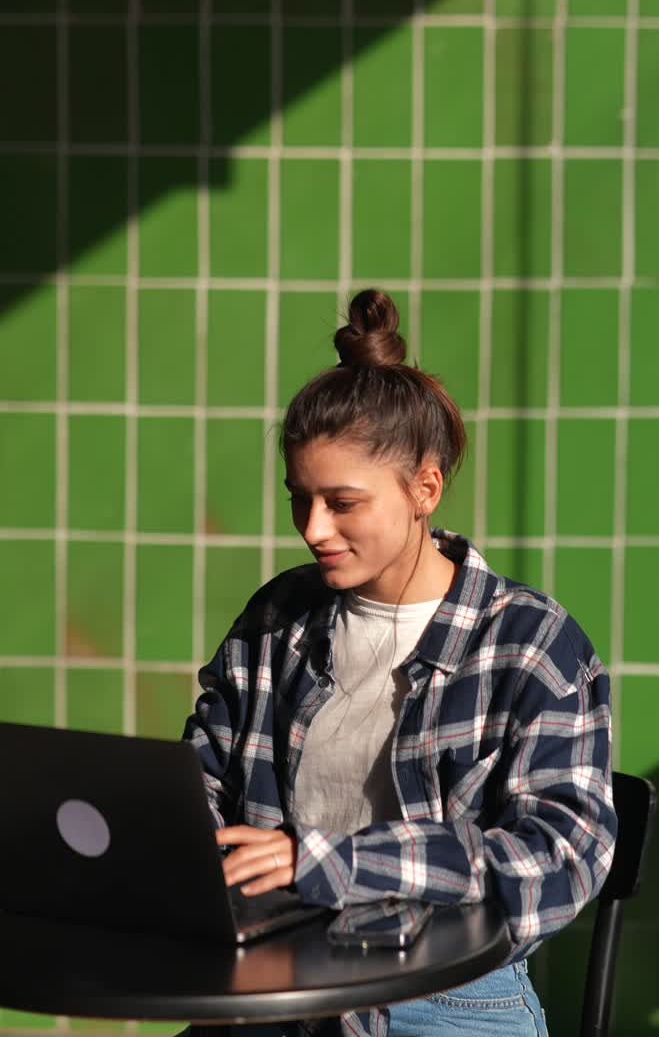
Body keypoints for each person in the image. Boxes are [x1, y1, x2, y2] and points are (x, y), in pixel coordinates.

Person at [184, 288, 617, 1037]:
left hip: (448, 1000)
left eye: (342, 503)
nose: (314, 528)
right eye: (301, 499)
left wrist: (330, 861)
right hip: (275, 983)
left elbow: (560, 859)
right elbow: (203, 785)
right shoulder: (277, 619)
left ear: (425, 488)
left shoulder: (531, 645)